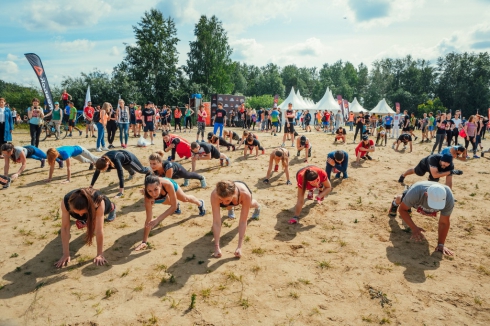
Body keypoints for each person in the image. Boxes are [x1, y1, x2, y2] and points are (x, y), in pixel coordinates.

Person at [135, 175, 206, 251]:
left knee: (184, 198)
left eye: (156, 189)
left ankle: (200, 203)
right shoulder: (148, 196)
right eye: (150, 191)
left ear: (160, 185)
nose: (154, 194)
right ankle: (174, 201)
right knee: (169, 202)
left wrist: (157, 219)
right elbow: (148, 219)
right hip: (162, 193)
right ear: (146, 190)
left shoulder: (168, 185)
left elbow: (173, 207)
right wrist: (144, 241)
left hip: (170, 186)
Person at [388, 181, 455, 256]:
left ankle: (408, 205)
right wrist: (414, 228)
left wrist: (441, 244)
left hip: (417, 201)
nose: (434, 207)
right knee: (400, 199)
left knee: (408, 205)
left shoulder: (449, 198)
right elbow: (402, 209)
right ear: (426, 194)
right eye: (432, 202)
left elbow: (444, 223)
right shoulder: (416, 191)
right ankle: (395, 203)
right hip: (414, 196)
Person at [55, 188, 116, 268]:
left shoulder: (98, 201)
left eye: (83, 213)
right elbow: (65, 228)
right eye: (78, 213)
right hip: (86, 209)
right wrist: (65, 254)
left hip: (100, 206)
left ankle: (113, 207)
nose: (80, 215)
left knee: (108, 209)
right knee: (83, 218)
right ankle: (84, 220)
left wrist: (100, 254)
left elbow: (99, 230)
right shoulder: (66, 202)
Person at [210, 180, 261, 258]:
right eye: (221, 200)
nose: (223, 203)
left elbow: (243, 222)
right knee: (227, 206)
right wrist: (216, 247)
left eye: (227, 200)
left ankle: (258, 206)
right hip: (230, 196)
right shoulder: (215, 195)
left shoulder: (245, 194)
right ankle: (230, 207)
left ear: (233, 194)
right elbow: (216, 222)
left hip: (240, 195)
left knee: (250, 204)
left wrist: (239, 247)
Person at [398, 153, 462, 189]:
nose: (445, 165)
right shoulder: (433, 158)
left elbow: (449, 182)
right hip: (425, 164)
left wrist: (449, 194)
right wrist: (450, 172)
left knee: (434, 181)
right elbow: (435, 174)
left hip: (435, 170)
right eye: (444, 162)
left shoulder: (450, 166)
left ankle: (428, 190)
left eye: (448, 163)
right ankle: (403, 175)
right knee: (417, 172)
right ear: (441, 160)